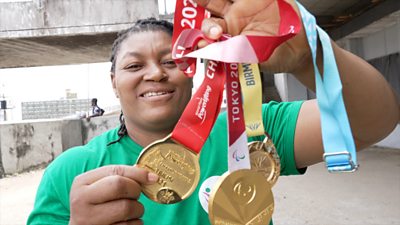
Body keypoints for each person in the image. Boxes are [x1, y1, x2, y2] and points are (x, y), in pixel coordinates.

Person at [28, 1, 399, 224]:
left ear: (196, 70)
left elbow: (374, 120)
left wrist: (310, 55)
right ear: (113, 82)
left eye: (172, 60)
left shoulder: (251, 131)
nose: (155, 73)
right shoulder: (71, 172)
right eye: (133, 66)